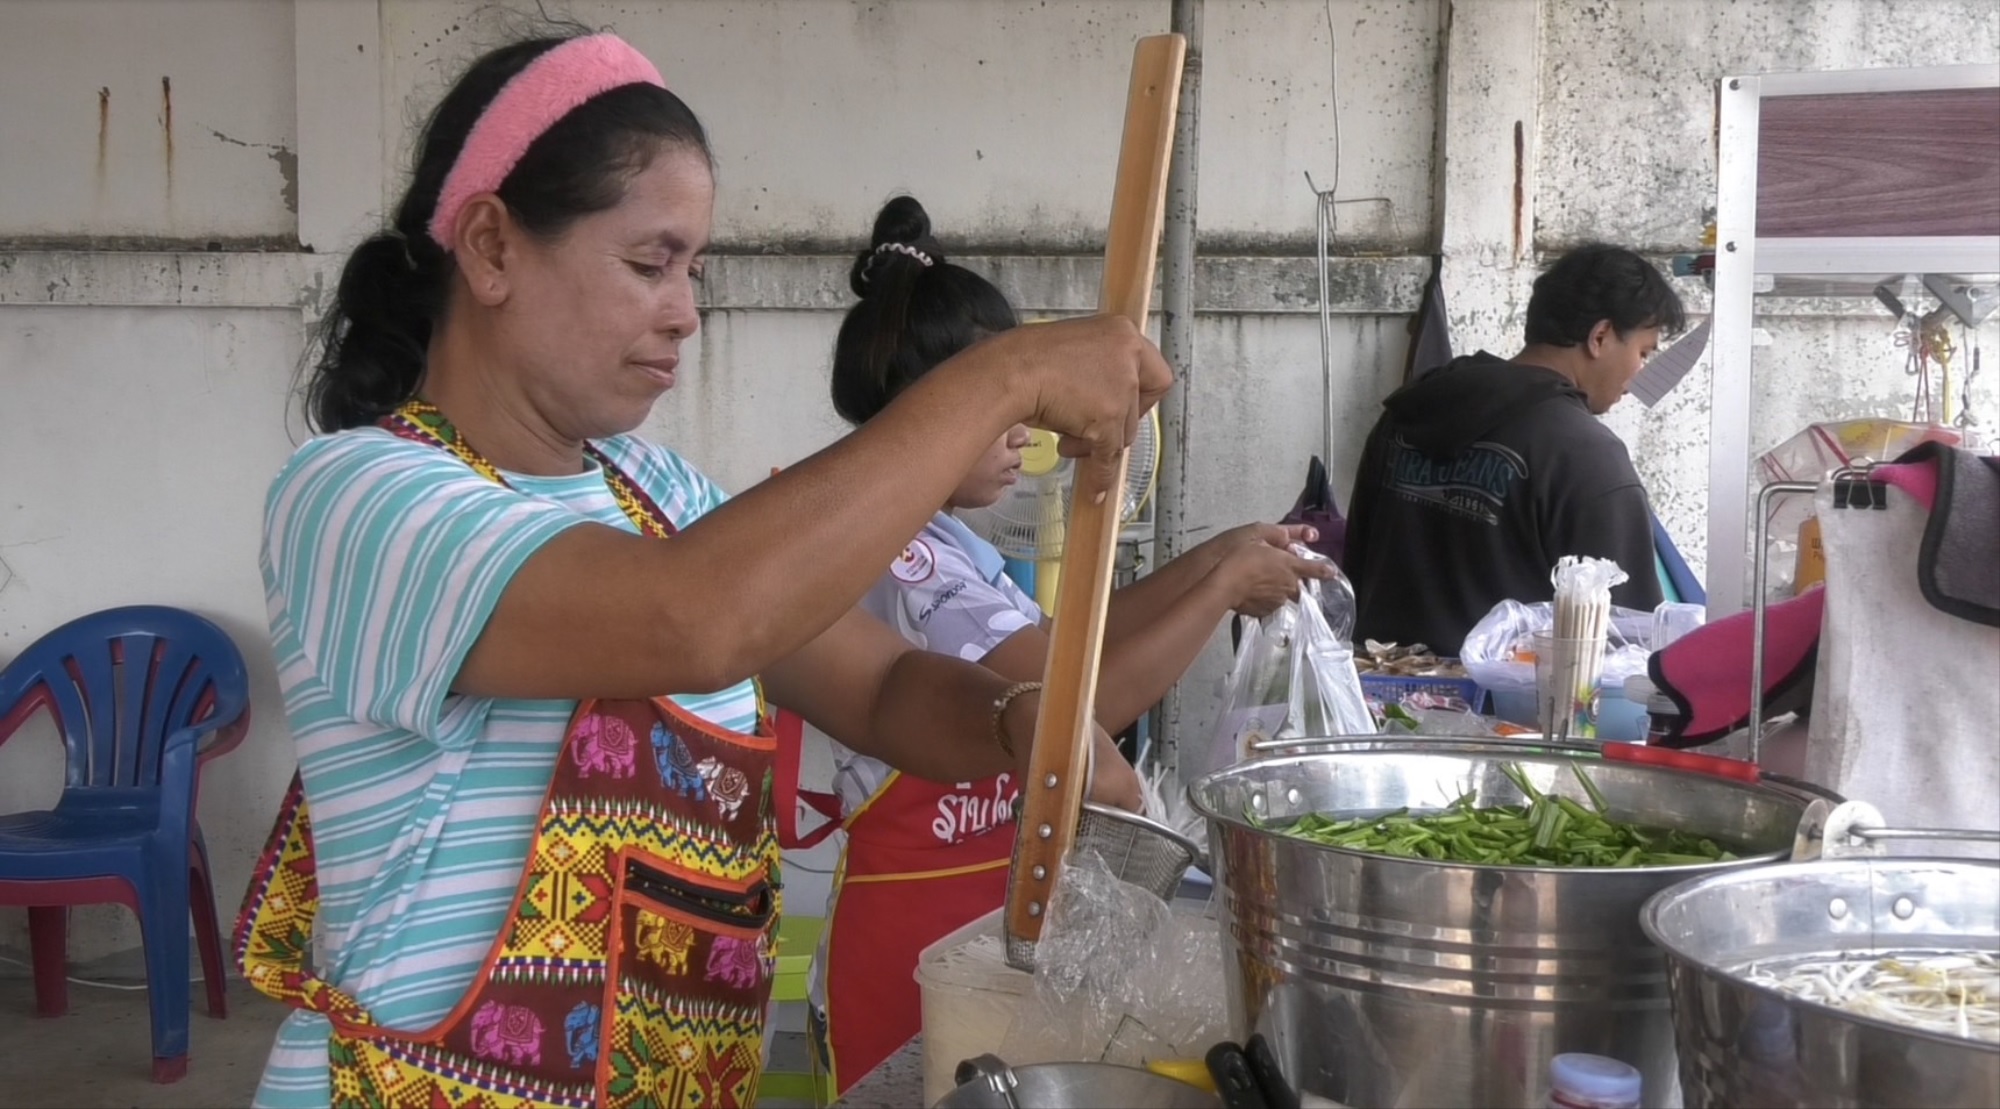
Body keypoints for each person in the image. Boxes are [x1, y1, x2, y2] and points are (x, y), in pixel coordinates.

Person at [235, 31, 1170, 1109]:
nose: (685, 310)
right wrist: (1000, 378)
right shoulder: (357, 498)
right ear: (490, 248)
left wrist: (1019, 716)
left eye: (693, 270)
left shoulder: (661, 494)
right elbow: (695, 618)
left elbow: (876, 685)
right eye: (649, 263)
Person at [793, 196, 1332, 1095]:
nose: (1023, 437)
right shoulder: (911, 556)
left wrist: (1217, 559)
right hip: (915, 939)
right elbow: (1077, 701)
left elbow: (1069, 644)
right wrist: (1220, 591)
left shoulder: (950, 541)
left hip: (981, 913)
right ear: (928, 409)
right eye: (1001, 407)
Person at [1344, 243, 1686, 656]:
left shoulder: (1406, 414)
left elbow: (1356, 573)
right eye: (1643, 353)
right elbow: (1627, 644)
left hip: (1378, 701)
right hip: (1510, 717)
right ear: (1600, 337)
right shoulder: (1588, 457)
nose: (1638, 376)